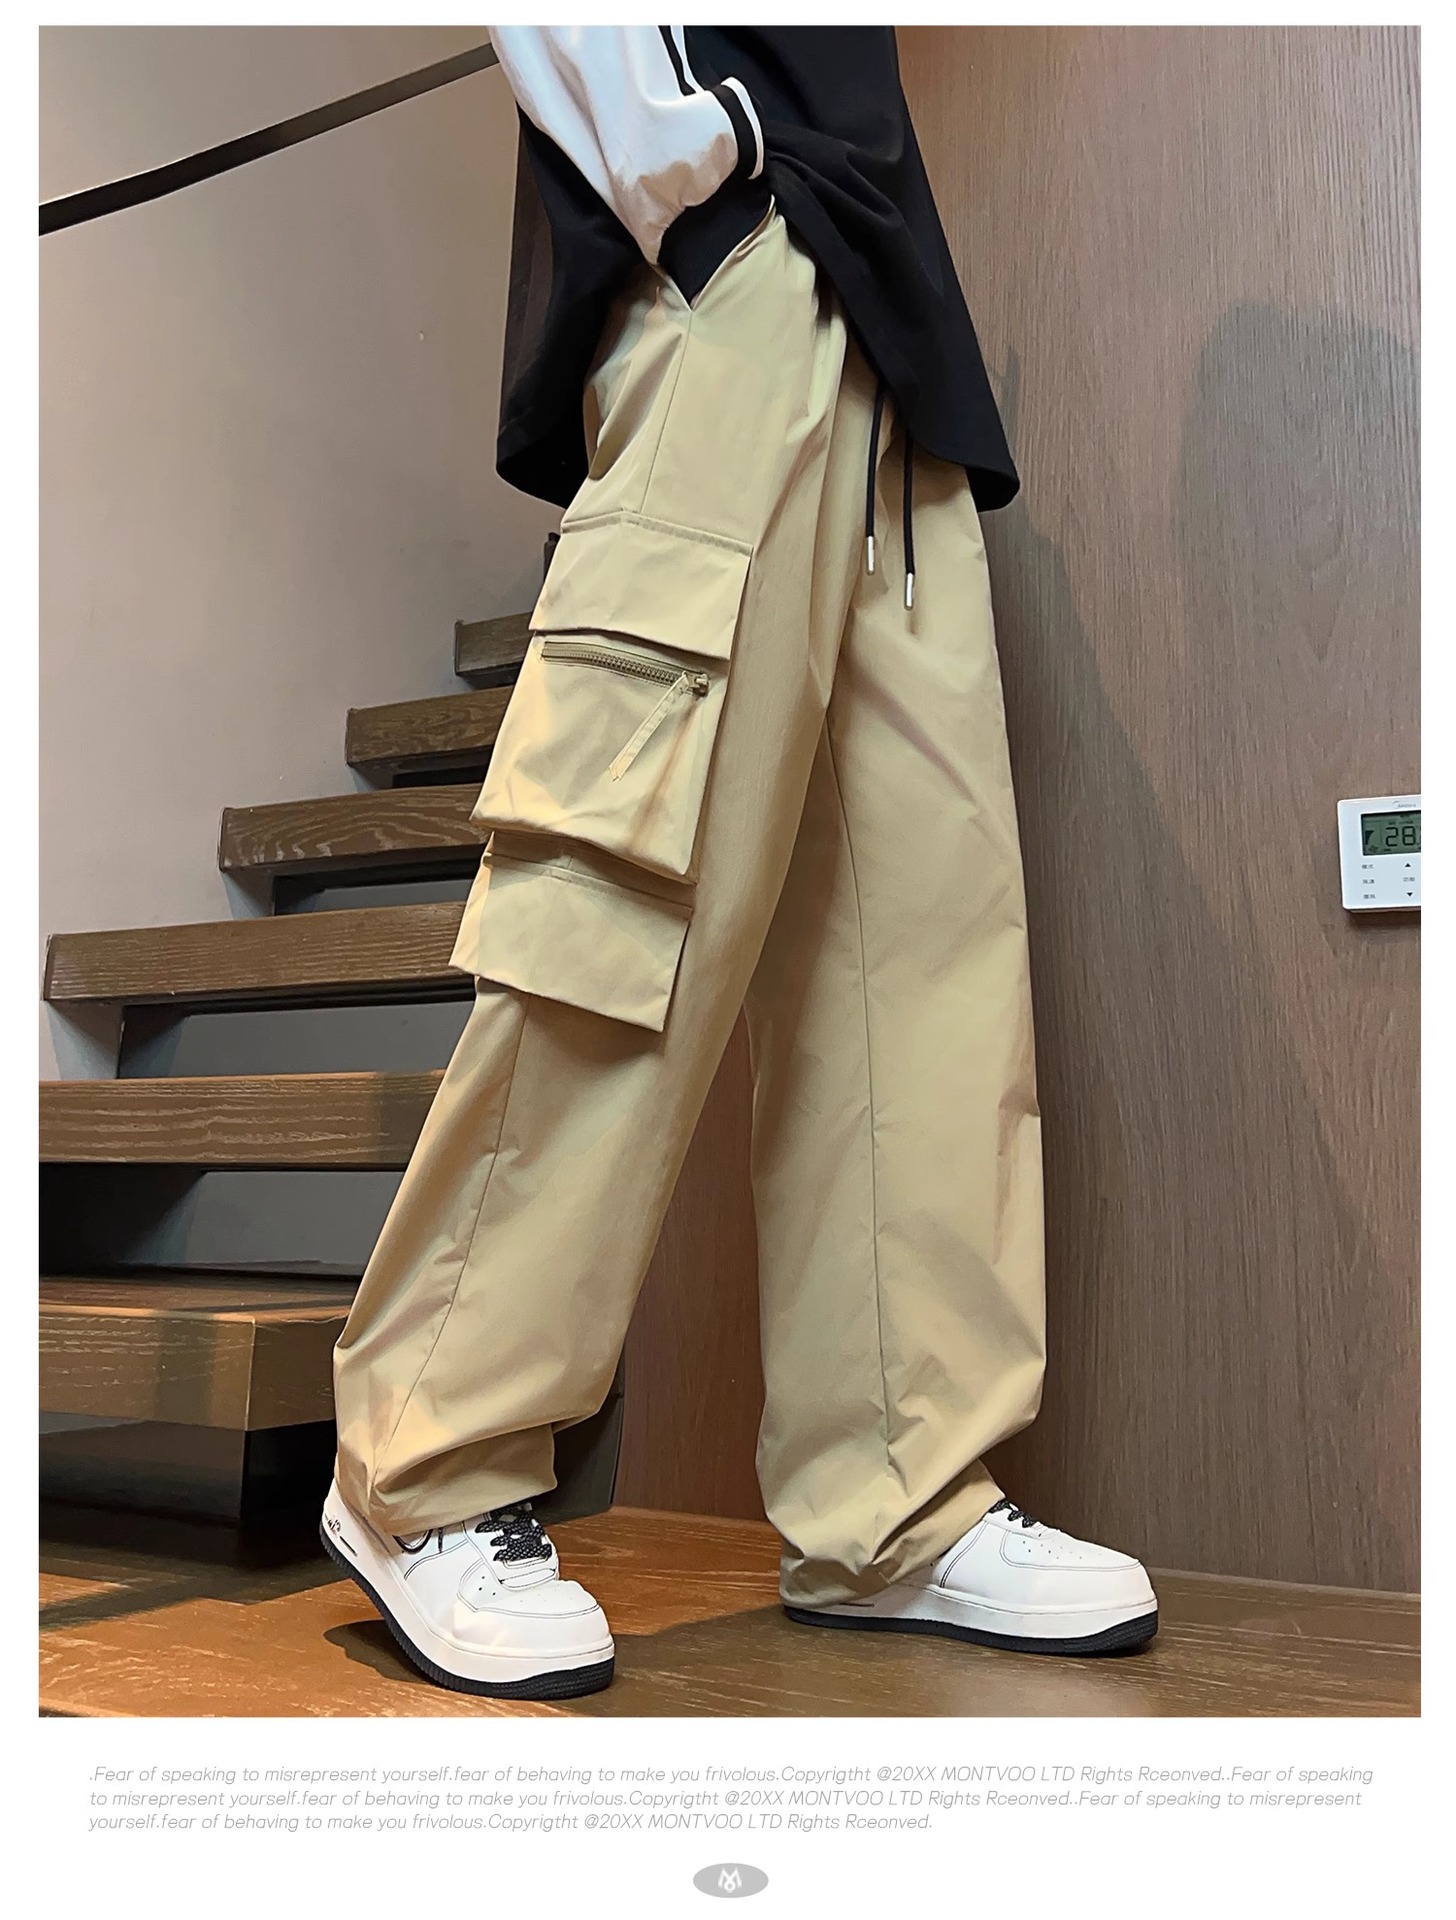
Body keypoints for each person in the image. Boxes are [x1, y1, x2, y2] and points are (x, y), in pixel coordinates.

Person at [319, 25, 1158, 1700]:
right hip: (741, 272)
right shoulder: (712, 203)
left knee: (920, 947)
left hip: (894, 327)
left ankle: (897, 1500)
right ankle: (430, 1458)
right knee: (631, 887)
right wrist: (679, 160)